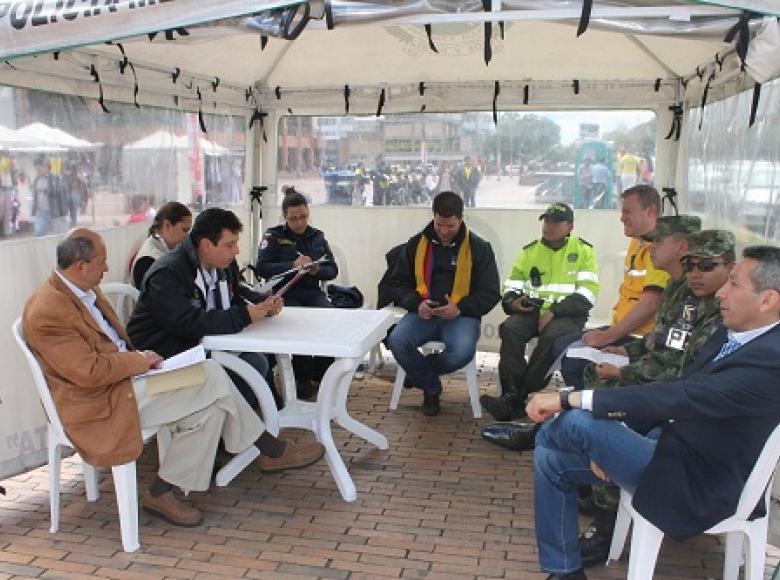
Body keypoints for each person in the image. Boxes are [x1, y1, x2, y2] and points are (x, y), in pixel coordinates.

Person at [23, 229, 324, 528]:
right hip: (102, 403)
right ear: (81, 266)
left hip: (128, 384)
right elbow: (88, 372)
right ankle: (268, 449)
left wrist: (142, 361)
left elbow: (113, 347)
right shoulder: (48, 309)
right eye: (102, 262)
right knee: (212, 376)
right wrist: (138, 361)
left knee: (211, 405)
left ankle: (162, 492)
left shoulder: (83, 290)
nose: (107, 267)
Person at [525, 245, 780, 580]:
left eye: (733, 283)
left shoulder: (770, 360)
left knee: (573, 421)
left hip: (699, 482)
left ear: (767, 300)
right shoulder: (733, 334)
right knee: (551, 458)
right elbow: (679, 398)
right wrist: (608, 447)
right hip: (670, 451)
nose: (721, 292)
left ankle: (536, 432)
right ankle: (565, 572)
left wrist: (568, 399)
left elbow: (679, 397)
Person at [127, 208, 283, 410]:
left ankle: (243, 418)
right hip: (165, 362)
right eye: (230, 244)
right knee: (252, 364)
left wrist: (263, 303)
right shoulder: (167, 273)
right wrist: (244, 315)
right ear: (207, 245)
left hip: (200, 346)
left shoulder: (222, 262)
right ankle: (222, 421)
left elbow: (236, 292)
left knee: (258, 358)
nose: (236, 251)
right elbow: (188, 323)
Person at [479, 203, 600, 425]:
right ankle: (512, 395)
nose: (549, 226)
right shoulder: (530, 251)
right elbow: (513, 284)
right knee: (510, 328)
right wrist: (512, 302)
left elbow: (587, 295)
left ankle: (516, 395)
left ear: (570, 226)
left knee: (554, 337)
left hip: (567, 314)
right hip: (532, 311)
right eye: (546, 221)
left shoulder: (583, 251)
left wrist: (554, 311)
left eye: (556, 222)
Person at [385, 191, 500, 416]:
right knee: (397, 340)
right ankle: (431, 387)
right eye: (439, 224)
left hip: (461, 316)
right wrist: (416, 304)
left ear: (461, 219)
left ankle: (419, 373)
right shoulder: (416, 244)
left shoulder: (479, 248)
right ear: (433, 217)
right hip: (422, 313)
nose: (444, 231)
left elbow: (490, 293)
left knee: (462, 351)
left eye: (450, 226)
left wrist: (460, 308)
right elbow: (396, 283)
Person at [554, 185, 668, 390]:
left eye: (628, 212)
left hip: (640, 338)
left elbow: (650, 304)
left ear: (650, 211)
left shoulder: (659, 250)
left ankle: (591, 405)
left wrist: (607, 337)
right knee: (561, 345)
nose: (622, 218)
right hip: (622, 330)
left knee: (572, 360)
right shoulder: (637, 243)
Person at [255, 189, 338, 398]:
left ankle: (322, 372)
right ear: (284, 216)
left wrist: (316, 269)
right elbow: (262, 268)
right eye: (293, 219)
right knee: (299, 323)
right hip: (285, 293)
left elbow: (332, 270)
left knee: (329, 317)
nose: (300, 223)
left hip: (311, 292)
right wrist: (291, 265)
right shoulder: (273, 236)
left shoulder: (317, 236)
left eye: (303, 217)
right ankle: (302, 377)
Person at [130, 201, 193, 288]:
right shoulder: (147, 260)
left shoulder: (166, 248)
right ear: (167, 225)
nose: (187, 236)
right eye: (184, 230)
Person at [31, 155, 65, 237]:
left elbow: (57, 191)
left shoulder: (53, 178)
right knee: (38, 233)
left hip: (53, 211)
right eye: (36, 169)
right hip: (41, 212)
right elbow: (35, 195)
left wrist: (44, 190)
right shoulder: (36, 180)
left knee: (59, 235)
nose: (37, 171)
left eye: (38, 168)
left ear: (43, 166)